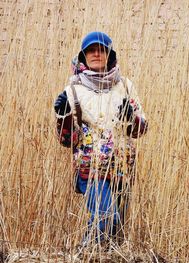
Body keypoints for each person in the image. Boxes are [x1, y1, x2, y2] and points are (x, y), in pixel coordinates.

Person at [54, 31, 148, 244]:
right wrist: (63, 117)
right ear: (83, 56)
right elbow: (66, 140)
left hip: (122, 170)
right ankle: (84, 255)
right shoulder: (73, 91)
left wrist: (130, 119)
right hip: (91, 169)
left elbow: (141, 129)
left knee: (116, 231)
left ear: (109, 54)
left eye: (101, 49)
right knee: (106, 218)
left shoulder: (125, 86)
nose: (96, 53)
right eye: (91, 50)